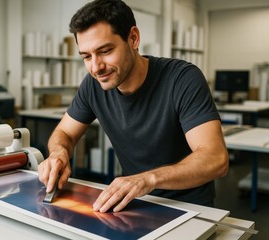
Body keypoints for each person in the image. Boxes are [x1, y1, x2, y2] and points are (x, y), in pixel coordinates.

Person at [38, 0, 229, 213]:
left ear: (134, 38)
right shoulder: (93, 85)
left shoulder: (182, 79)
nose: (96, 67)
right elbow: (65, 131)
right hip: (137, 204)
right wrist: (58, 152)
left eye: (105, 51)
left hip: (190, 207)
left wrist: (148, 179)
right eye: (86, 56)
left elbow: (216, 158)